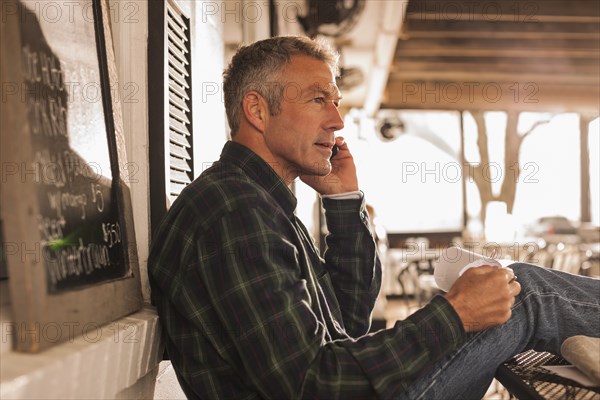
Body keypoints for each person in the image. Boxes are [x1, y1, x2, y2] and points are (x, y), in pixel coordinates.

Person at [148, 36, 600, 399]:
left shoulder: (256, 204)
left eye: (336, 101)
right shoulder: (232, 213)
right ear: (257, 110)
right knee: (525, 291)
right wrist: (454, 313)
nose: (338, 120)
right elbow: (310, 384)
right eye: (318, 100)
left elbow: (349, 320)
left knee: (514, 289)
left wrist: (343, 204)